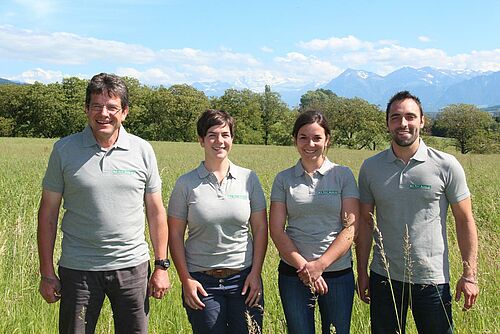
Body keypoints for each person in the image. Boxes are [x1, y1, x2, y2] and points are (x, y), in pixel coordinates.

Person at [37, 73, 171, 334]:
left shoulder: (142, 150)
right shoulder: (64, 150)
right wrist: (46, 272)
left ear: (125, 112)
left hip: (132, 267)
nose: (104, 114)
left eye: (112, 107)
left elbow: (156, 213)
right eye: (96, 106)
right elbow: (48, 215)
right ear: (86, 109)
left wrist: (161, 265)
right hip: (79, 269)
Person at [356, 90, 479, 334]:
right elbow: (365, 224)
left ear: (422, 121)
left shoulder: (446, 165)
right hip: (384, 277)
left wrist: (470, 275)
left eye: (410, 117)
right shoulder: (371, 168)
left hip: (432, 278)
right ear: (387, 123)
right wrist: (361, 272)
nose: (403, 123)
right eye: (396, 117)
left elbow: (464, 221)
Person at [167, 109, 268, 334]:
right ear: (201, 140)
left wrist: (256, 274)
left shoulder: (249, 179)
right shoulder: (185, 184)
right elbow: (174, 236)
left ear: (232, 138)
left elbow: (260, 229)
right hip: (202, 283)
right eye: (212, 134)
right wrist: (186, 280)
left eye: (225, 134)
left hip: (244, 279)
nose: (219, 141)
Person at [269, 110, 359, 334]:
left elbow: (351, 228)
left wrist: (320, 265)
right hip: (294, 274)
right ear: (295, 140)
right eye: (303, 137)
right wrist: (305, 267)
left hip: (337, 273)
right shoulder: (283, 179)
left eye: (317, 138)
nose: (310, 144)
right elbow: (276, 230)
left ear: (327, 140)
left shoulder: (343, 175)